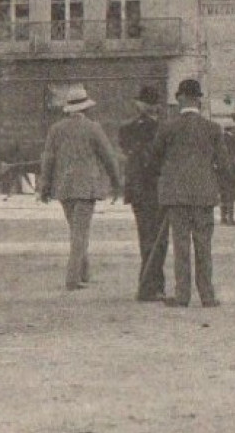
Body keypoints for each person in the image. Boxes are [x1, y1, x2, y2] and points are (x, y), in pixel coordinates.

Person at [147, 79, 228, 308]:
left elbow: (154, 161)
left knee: (181, 245)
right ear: (199, 100)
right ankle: (207, 295)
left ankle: (182, 295)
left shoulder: (167, 128)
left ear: (180, 99)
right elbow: (223, 164)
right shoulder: (213, 129)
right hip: (204, 195)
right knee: (204, 246)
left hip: (176, 196)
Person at [38, 84, 122, 291]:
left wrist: (44, 186)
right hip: (86, 186)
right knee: (80, 233)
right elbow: (109, 157)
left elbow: (48, 159)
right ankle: (73, 278)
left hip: (64, 186)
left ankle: (84, 272)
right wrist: (117, 182)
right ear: (86, 108)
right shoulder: (94, 128)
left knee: (75, 230)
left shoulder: (56, 129)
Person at [118, 84, 169, 302]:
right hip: (157, 189)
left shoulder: (126, 129)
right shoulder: (163, 130)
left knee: (145, 237)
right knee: (159, 239)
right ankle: (152, 286)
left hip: (137, 189)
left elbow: (128, 154)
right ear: (155, 107)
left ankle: (147, 283)